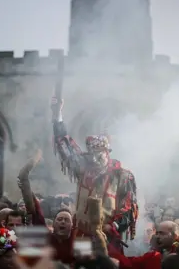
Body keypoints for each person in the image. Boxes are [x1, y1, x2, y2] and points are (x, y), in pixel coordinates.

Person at [51, 97, 139, 253]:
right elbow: (66, 145)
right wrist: (57, 115)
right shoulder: (84, 168)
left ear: (107, 153)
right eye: (91, 154)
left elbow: (128, 211)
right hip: (82, 236)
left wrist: (112, 226)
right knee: (82, 264)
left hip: (107, 237)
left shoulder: (123, 176)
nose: (93, 158)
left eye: (98, 154)